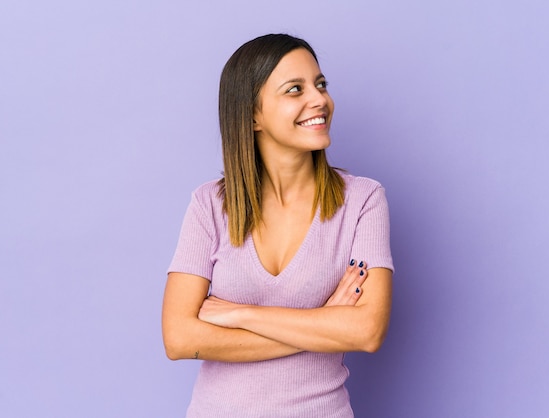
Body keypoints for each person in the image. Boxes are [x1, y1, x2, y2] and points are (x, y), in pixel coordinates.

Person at [162, 33, 394, 418]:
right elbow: (179, 338)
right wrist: (323, 324)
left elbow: (366, 331)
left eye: (320, 85)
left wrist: (241, 314)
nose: (319, 99)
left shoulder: (363, 200)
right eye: (295, 89)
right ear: (253, 115)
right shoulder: (208, 205)